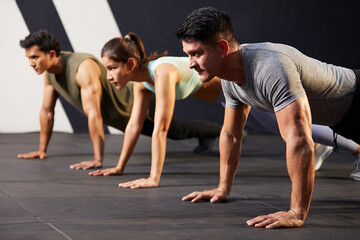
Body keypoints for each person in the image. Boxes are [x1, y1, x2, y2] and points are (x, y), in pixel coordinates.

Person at [176, 7, 360, 229]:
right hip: (343, 120)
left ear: (222, 48)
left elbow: (300, 141)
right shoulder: (230, 80)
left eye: (196, 53)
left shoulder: (270, 67)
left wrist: (296, 212)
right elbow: (231, 135)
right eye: (188, 54)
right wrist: (222, 188)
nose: (190, 63)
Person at [17, 30, 222, 169]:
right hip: (123, 116)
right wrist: (41, 150)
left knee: (177, 131)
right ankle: (214, 133)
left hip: (132, 103)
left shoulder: (82, 67)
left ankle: (219, 132)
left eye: (34, 57)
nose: (30, 63)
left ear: (51, 53)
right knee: (177, 131)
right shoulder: (50, 75)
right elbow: (47, 111)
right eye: (28, 58)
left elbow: (94, 113)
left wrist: (98, 160)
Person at [89, 33, 223, 188]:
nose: (108, 77)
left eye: (112, 68)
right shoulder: (141, 82)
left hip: (236, 89)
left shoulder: (163, 72)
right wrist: (119, 167)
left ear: (131, 64)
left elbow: (161, 129)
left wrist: (153, 178)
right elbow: (134, 125)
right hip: (225, 100)